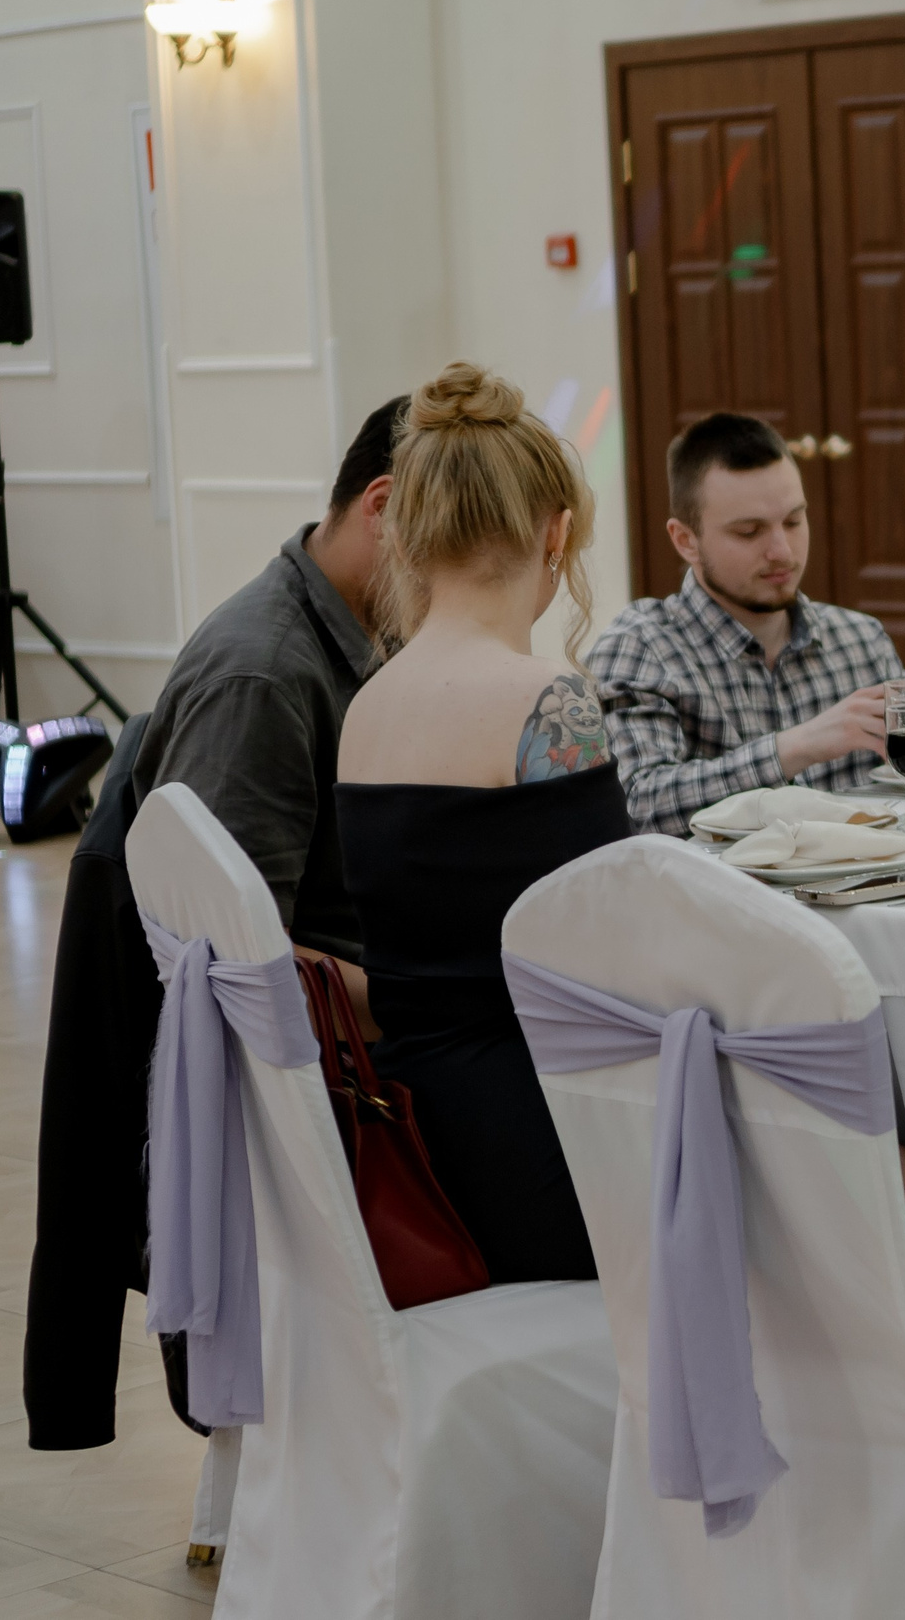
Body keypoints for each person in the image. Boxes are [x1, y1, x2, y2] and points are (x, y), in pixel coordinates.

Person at [24, 394, 404, 1450]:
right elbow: (235, 968)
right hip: (305, 1103)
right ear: (385, 507)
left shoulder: (355, 635)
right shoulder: (267, 673)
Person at [335, 363, 621, 1283]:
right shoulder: (548, 699)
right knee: (861, 1177)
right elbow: (616, 951)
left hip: (412, 1136)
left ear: (410, 537)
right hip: (542, 1142)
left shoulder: (366, 709)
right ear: (557, 532)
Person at [590, 413, 905, 836]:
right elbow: (638, 805)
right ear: (685, 540)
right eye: (749, 531)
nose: (781, 550)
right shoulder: (641, 646)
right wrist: (796, 746)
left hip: (876, 892)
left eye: (794, 521)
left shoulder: (860, 639)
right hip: (725, 900)